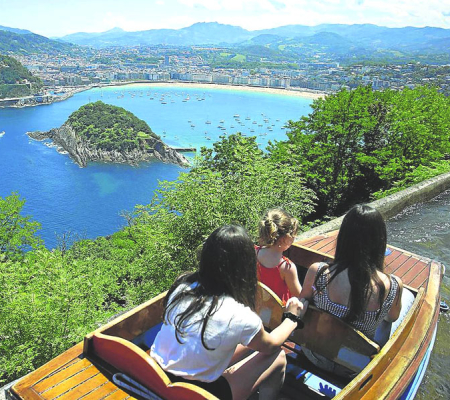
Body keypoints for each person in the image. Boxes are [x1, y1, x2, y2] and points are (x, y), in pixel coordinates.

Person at [150, 224, 308, 400]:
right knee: (277, 356)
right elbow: (271, 344)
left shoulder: (183, 287)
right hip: (199, 395)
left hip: (156, 377)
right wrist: (292, 318)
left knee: (247, 344)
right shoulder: (239, 315)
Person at [299, 204, 403, 376]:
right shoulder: (392, 285)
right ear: (380, 241)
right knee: (396, 310)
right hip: (353, 367)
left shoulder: (318, 272)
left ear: (343, 237)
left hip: (314, 355)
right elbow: (392, 317)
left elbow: (303, 305)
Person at [256, 208, 301, 303]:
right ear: (285, 238)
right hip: (277, 312)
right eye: (293, 235)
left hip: (255, 306)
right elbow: (299, 295)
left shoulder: (253, 253)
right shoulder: (287, 267)